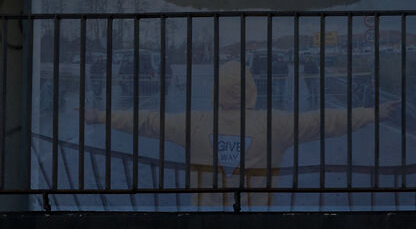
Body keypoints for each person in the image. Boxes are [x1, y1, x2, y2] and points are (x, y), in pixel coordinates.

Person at [88, 60, 400, 207]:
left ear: (215, 91)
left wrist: (101, 116)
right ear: (252, 91)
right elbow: (323, 121)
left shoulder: (195, 123)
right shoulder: (274, 123)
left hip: (206, 217)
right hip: (258, 217)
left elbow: (147, 121)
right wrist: (371, 114)